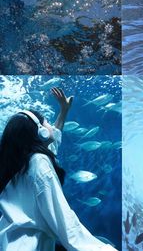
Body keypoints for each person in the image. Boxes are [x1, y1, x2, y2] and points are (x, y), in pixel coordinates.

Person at [0, 87, 117, 251]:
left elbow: (52, 144)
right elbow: (64, 221)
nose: (51, 127)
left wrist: (63, 111)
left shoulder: (21, 163)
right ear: (41, 132)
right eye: (47, 122)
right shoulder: (39, 162)